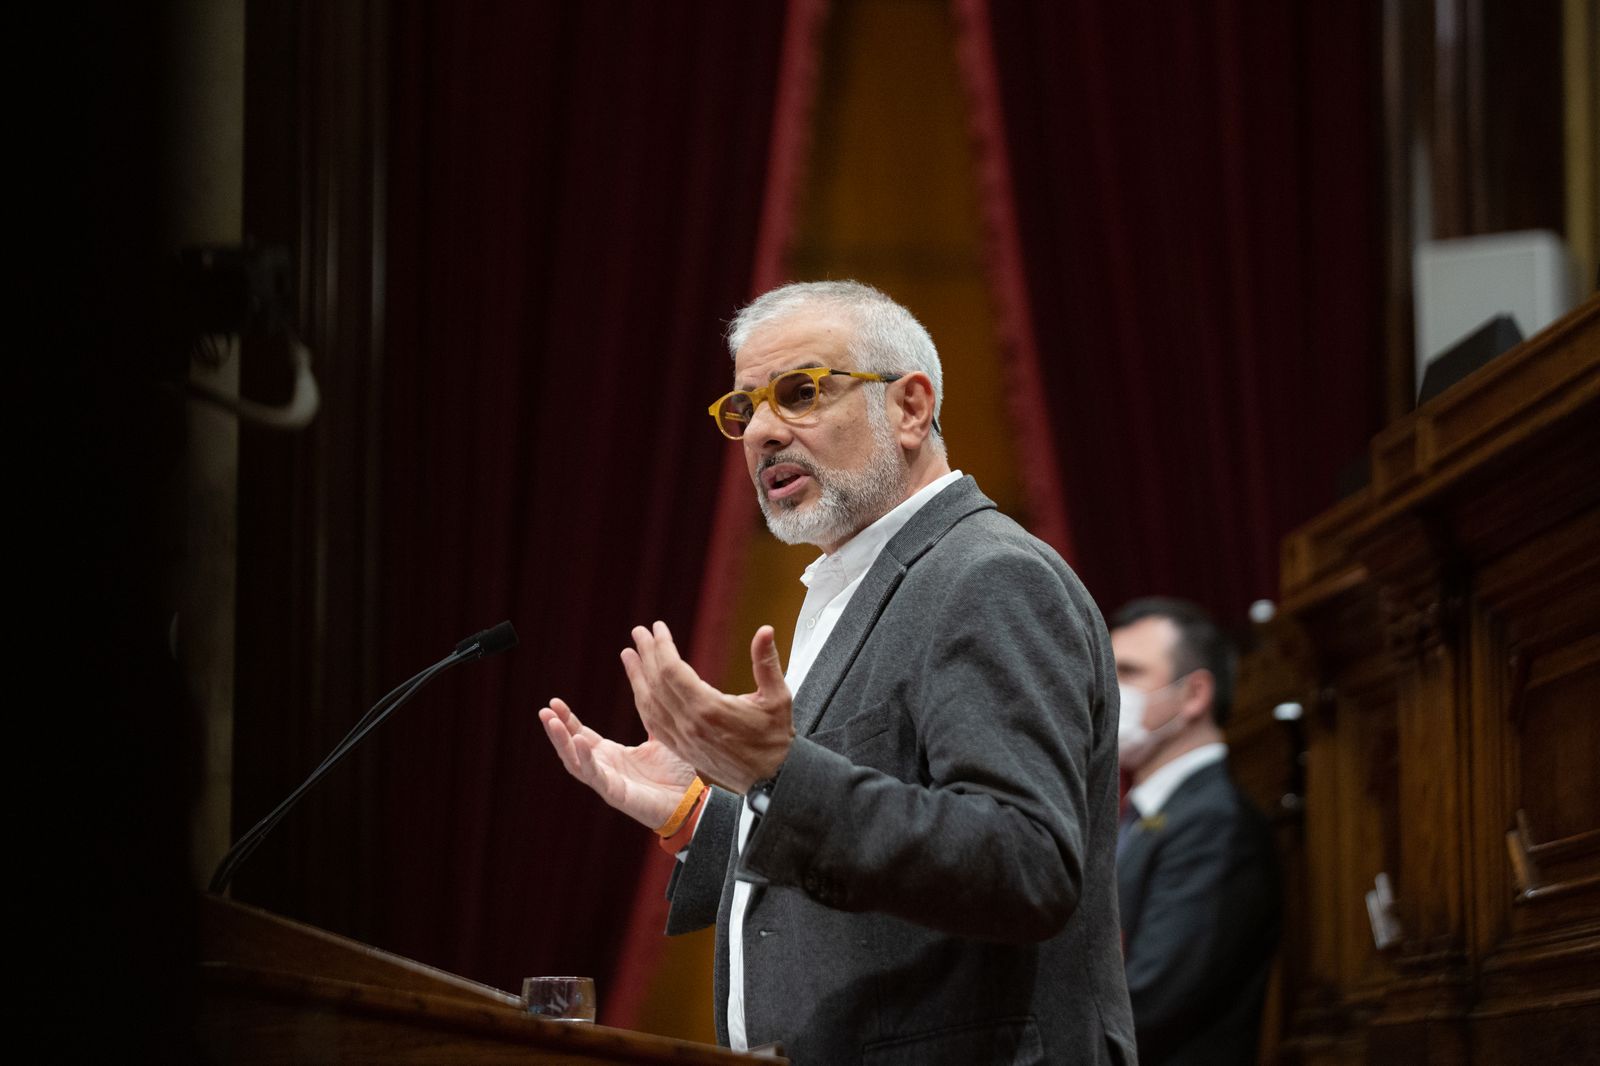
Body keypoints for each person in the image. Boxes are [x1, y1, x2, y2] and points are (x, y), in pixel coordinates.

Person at [538, 280, 1135, 1064]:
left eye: (800, 392)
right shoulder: (855, 583)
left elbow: (1024, 863)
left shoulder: (985, 577)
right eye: (745, 410)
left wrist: (778, 774)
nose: (763, 433)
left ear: (911, 408)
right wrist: (697, 814)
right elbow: (868, 883)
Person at [1110, 597, 1282, 1065]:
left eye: (1127, 672)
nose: (1106, 692)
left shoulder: (1214, 821)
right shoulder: (1145, 816)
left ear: (1194, 695)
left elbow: (1149, 1003)